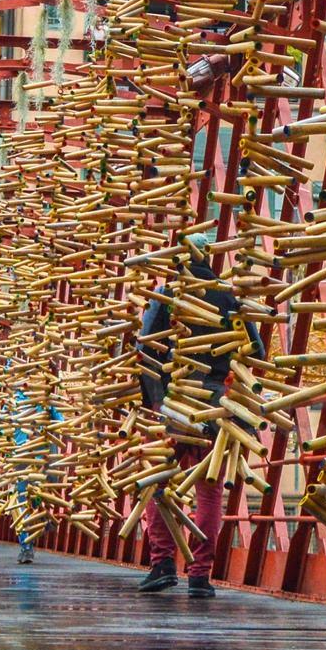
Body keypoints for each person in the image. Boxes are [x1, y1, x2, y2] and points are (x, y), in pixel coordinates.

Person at [134, 234, 250, 599]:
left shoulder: (167, 295)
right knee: (210, 490)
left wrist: (153, 402)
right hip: (217, 401)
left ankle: (163, 563)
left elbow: (146, 350)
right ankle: (200, 574)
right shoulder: (229, 296)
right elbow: (255, 350)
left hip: (174, 398)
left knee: (161, 482)